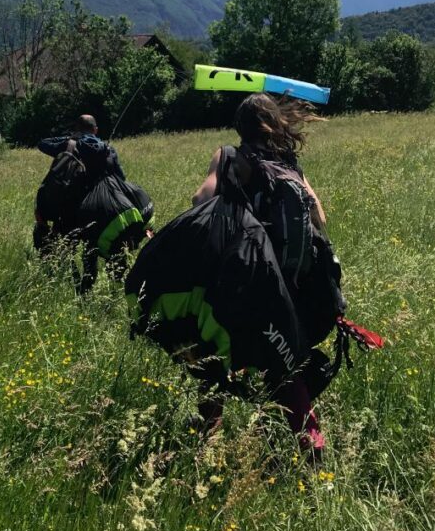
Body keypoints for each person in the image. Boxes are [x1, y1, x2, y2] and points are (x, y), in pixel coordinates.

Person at [126, 93, 343, 459]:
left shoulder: (228, 156)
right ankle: (312, 450)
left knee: (211, 355)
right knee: (285, 368)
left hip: (242, 278)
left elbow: (200, 200)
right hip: (286, 287)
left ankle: (207, 442)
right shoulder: (289, 163)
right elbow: (319, 218)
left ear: (238, 127)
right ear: (275, 124)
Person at [34, 114, 153, 293]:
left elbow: (42, 143)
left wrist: (71, 138)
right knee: (105, 248)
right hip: (103, 210)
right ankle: (116, 288)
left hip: (74, 210)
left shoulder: (70, 144)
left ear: (77, 129)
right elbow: (121, 178)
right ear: (95, 129)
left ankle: (79, 289)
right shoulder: (108, 149)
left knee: (74, 251)